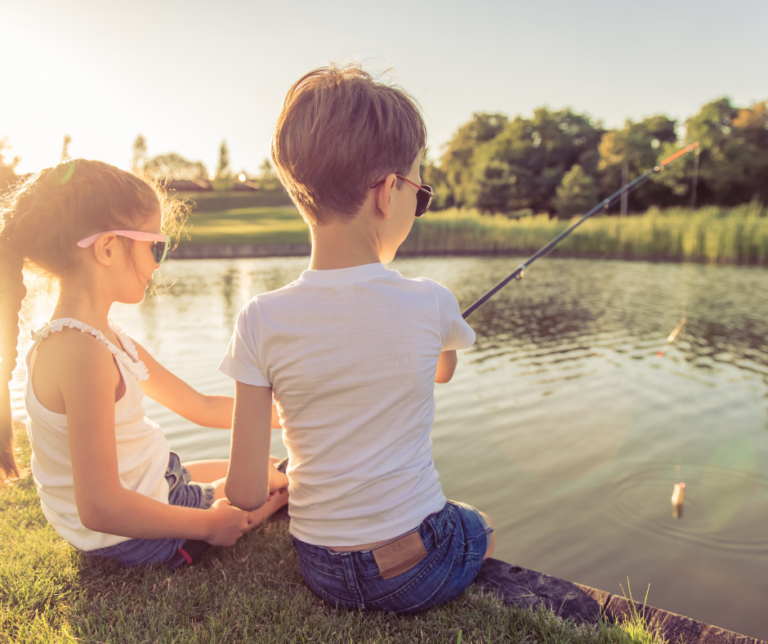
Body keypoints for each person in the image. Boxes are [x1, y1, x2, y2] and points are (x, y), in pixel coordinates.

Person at [220, 64, 495, 614]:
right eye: (421, 194)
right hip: (414, 569)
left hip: (321, 565)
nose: (417, 207)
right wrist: (437, 330)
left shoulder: (259, 317)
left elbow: (246, 494)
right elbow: (441, 372)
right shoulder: (431, 300)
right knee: (477, 524)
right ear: (388, 191)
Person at [0, 159, 288, 567]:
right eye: (156, 246)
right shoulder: (82, 355)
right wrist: (208, 526)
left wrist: (288, 416)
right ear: (107, 248)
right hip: (129, 536)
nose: (158, 262)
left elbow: (200, 407)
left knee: (268, 467)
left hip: (155, 484)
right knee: (278, 484)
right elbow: (101, 508)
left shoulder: (102, 338)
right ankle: (262, 500)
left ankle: (234, 487)